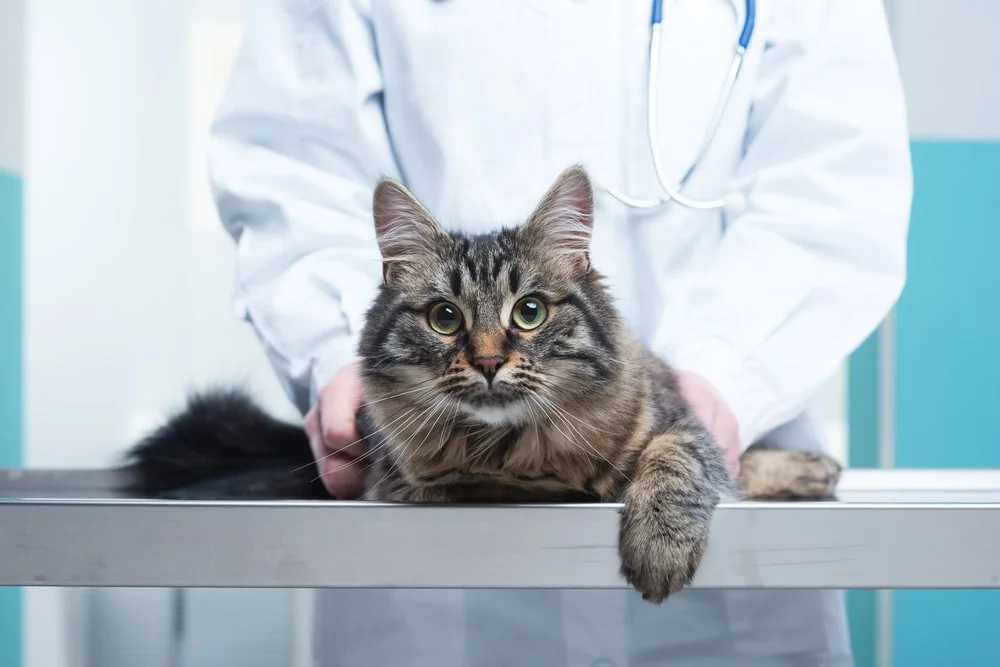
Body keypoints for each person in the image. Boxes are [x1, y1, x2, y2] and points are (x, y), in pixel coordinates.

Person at [207, 0, 912, 665]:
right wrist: (338, 353)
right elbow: (292, 162)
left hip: (724, 581)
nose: (489, 354)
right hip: (436, 596)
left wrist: (723, 381)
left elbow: (836, 187)